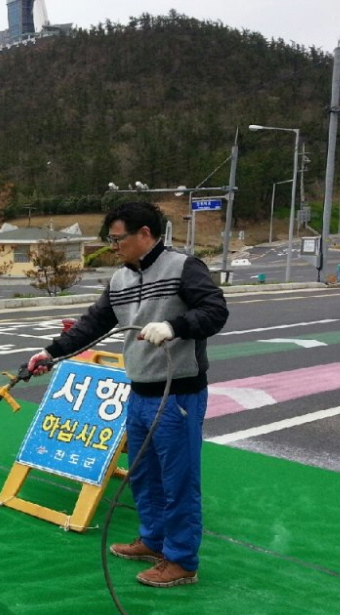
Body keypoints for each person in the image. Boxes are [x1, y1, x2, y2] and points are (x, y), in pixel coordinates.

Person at [27, 201, 229, 587]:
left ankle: (182, 560)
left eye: (118, 238)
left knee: (178, 480)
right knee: (145, 475)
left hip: (178, 395)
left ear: (145, 234)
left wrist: (175, 325)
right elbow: (93, 324)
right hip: (137, 393)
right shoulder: (119, 280)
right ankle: (153, 541)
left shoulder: (183, 268)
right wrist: (50, 352)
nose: (113, 246)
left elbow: (216, 310)